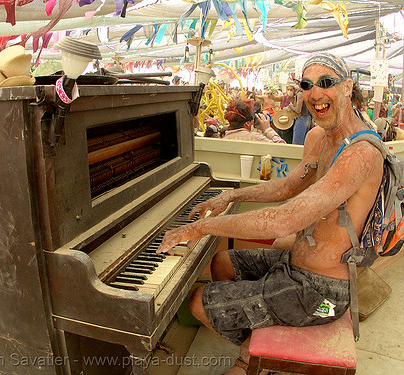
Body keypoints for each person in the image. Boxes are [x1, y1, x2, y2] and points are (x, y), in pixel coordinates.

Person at [157, 53, 384, 374]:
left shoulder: (360, 153)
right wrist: (231, 195)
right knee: (222, 262)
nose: (315, 93)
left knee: (198, 300)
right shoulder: (321, 137)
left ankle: (252, 355)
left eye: (326, 83)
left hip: (323, 293)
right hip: (295, 262)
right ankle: (257, 343)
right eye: (307, 85)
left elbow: (287, 218)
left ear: (348, 88)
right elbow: (289, 186)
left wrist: (201, 227)